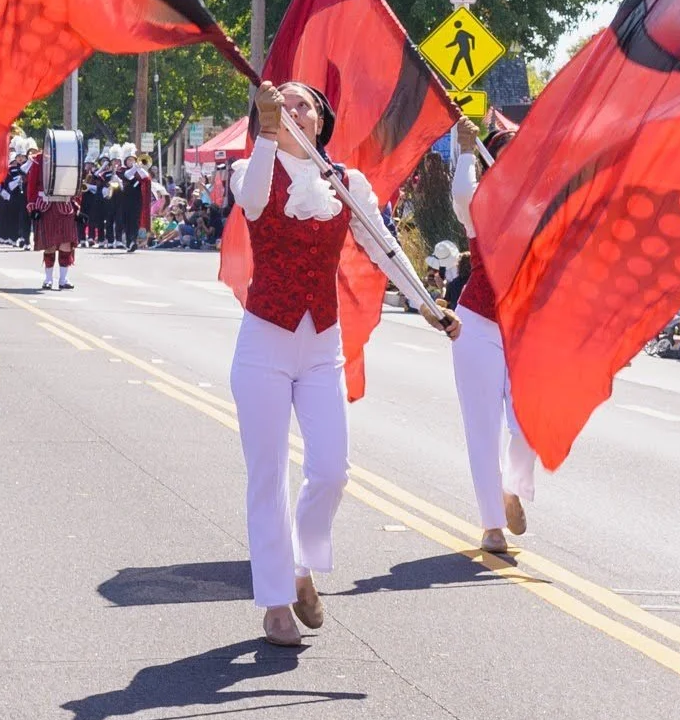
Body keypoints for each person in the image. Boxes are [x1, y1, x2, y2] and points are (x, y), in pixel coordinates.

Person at [231, 80, 457, 647]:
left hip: (321, 345)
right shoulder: (251, 169)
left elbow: (383, 245)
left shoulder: (346, 184)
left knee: (332, 470)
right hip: (264, 342)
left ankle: (302, 566)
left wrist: (427, 305)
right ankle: (275, 601)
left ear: (320, 120)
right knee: (267, 475)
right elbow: (254, 203)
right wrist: (265, 133)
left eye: (303, 103)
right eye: (283, 101)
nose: (293, 108)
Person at [451, 117, 539, 555]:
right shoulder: (480, 206)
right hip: (478, 324)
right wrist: (467, 151)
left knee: (529, 423)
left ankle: (512, 488)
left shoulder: (544, 207)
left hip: (525, 330)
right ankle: (491, 525)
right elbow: (462, 195)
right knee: (482, 429)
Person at [28, 144, 80, 289]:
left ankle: (63, 279)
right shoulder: (38, 160)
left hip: (65, 206)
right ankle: (48, 279)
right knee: (49, 245)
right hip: (46, 205)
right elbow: (31, 185)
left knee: (66, 243)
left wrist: (77, 204)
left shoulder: (70, 158)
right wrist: (32, 205)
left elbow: (76, 182)